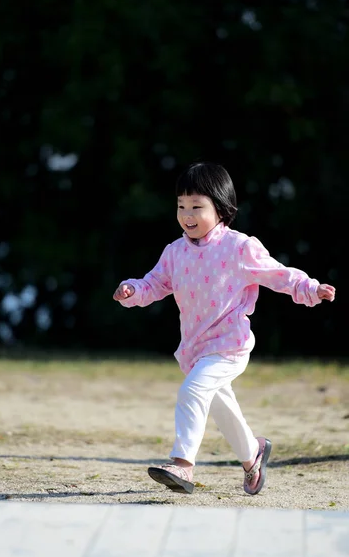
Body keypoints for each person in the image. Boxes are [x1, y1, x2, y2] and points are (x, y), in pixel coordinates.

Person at [113, 162, 336, 495]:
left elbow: (279, 275)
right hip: (195, 348)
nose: (187, 214)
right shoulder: (175, 252)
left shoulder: (239, 247)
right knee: (223, 409)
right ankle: (253, 456)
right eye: (181, 206)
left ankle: (183, 465)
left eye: (197, 207)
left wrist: (309, 288)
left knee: (192, 391)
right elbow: (154, 284)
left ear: (220, 209)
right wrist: (132, 291)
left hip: (230, 345)